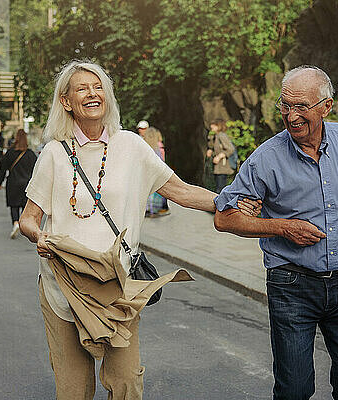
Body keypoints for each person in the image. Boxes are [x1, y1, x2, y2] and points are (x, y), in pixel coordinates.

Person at [18, 60, 260, 400]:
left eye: (98, 86)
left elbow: (181, 191)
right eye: (81, 89)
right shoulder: (54, 154)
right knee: (74, 390)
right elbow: (29, 217)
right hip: (63, 286)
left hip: (118, 287)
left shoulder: (130, 146)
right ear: (66, 101)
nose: (92, 93)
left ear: (108, 95)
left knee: (127, 381)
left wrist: (228, 202)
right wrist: (37, 235)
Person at [213, 65, 338, 400]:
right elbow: (224, 218)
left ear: (326, 107)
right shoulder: (265, 158)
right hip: (292, 286)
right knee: (294, 389)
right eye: (285, 106)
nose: (291, 116)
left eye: (301, 106)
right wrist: (281, 227)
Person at [0, 129, 37, 239]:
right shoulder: (30, 154)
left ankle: (15, 223)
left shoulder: (10, 153)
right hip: (27, 184)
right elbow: (37, 170)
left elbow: (2, 168)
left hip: (13, 183)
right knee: (25, 207)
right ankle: (25, 226)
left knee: (14, 206)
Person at [139, 125, 170, 217]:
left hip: (145, 172)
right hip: (156, 172)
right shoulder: (158, 147)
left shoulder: (143, 145)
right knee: (156, 192)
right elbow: (161, 160)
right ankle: (154, 210)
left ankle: (147, 210)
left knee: (146, 192)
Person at [206, 119, 235, 193]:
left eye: (214, 125)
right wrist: (211, 151)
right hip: (218, 167)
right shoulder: (216, 136)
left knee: (220, 189)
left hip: (223, 167)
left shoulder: (222, 135)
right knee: (218, 187)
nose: (211, 127)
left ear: (218, 126)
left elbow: (231, 149)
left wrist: (219, 157)